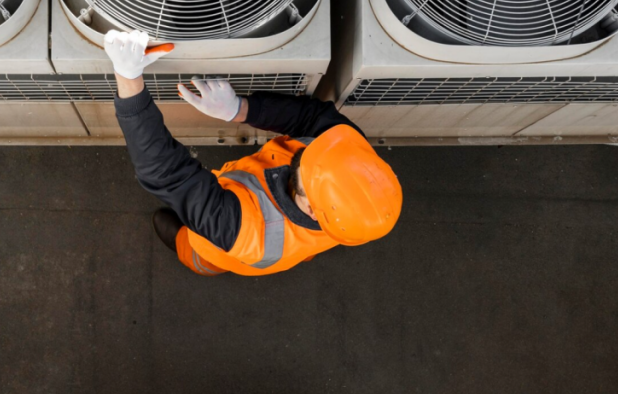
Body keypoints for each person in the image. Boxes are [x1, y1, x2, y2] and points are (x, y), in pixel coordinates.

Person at [105, 29, 402, 277]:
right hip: (297, 234)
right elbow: (311, 119)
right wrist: (240, 109)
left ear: (312, 208)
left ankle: (188, 250)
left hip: (223, 247)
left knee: (201, 253)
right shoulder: (349, 155)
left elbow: (166, 174)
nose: (307, 149)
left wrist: (128, 77)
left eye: (309, 167)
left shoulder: (249, 233)